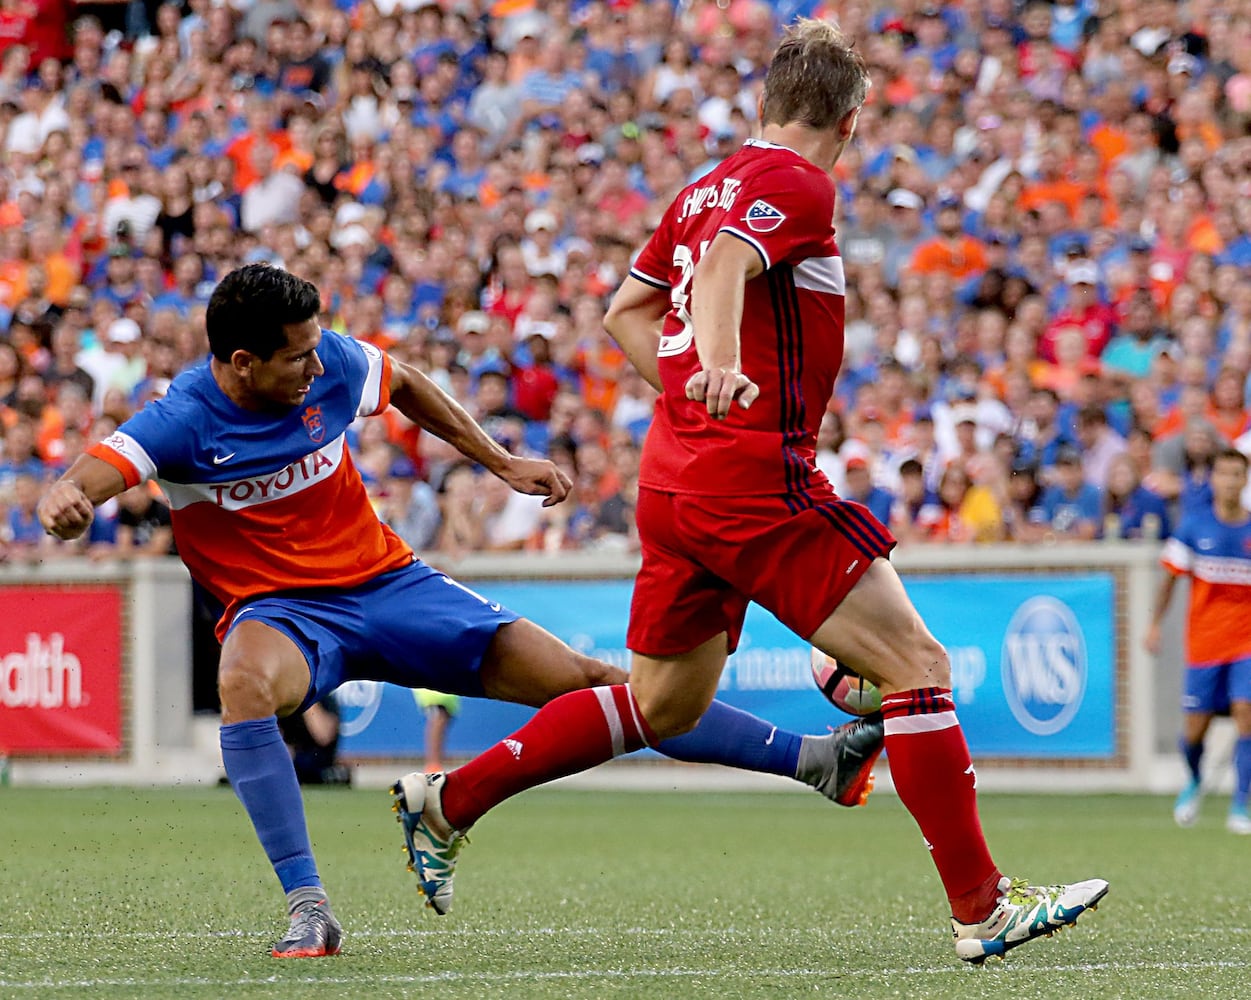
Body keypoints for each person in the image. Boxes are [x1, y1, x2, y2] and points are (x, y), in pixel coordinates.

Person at [396, 21, 1107, 966]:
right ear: (848, 122)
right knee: (916, 666)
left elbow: (625, 311)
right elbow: (730, 264)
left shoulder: (701, 187)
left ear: (762, 106)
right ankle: (982, 909)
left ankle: (448, 801)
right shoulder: (796, 183)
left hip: (674, 477)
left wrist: (690, 392)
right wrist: (723, 371)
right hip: (749, 477)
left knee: (664, 705)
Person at [37, 263, 883, 959]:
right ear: (240, 363)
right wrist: (69, 498)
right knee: (245, 682)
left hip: (389, 587)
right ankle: (309, 906)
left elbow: (405, 384)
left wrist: (500, 460)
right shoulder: (184, 416)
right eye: (294, 356)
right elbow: (98, 468)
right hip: (283, 613)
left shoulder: (326, 360)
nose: (315, 365)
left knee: (586, 682)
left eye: (314, 348)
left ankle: (816, 762)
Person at [1145, 448, 1251, 834]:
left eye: (1237, 474)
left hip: (1246, 643)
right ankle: (1194, 778)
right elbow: (1169, 582)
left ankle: (1241, 805)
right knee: (1194, 729)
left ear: (1245, 479)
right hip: (1205, 644)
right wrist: (1154, 625)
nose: (1230, 481)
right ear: (1214, 480)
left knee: (1246, 714)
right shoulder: (1193, 526)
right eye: (1224, 474)